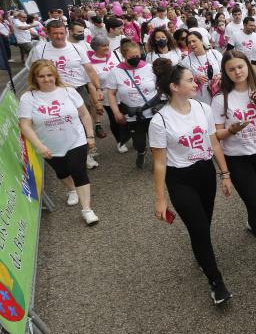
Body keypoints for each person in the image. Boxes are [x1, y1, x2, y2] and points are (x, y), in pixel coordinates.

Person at [149, 59, 234, 305]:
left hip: (205, 173)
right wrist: (161, 199)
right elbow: (159, 163)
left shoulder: (202, 108)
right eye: (189, 80)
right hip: (180, 180)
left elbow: (214, 142)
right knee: (198, 229)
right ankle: (216, 282)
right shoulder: (160, 121)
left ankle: (201, 254)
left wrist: (225, 174)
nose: (195, 82)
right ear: (174, 87)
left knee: (204, 225)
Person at [211, 51, 256, 272]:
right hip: (236, 157)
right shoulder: (220, 99)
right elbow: (216, 135)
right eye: (231, 69)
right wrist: (231, 130)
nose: (237, 72)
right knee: (254, 202)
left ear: (247, 67)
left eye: (240, 67)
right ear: (225, 72)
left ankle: (253, 222)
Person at [18, 60, 99, 225]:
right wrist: (40, 147)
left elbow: (84, 114)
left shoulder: (68, 91)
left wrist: (90, 135)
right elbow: (25, 125)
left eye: (49, 75)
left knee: (78, 171)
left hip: (75, 139)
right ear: (35, 78)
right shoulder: (28, 98)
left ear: (55, 75)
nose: (47, 79)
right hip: (49, 145)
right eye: (41, 76)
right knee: (62, 171)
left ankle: (87, 210)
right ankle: (71, 190)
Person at [106, 39, 158, 168]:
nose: (136, 59)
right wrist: (116, 112)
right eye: (132, 57)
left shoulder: (149, 68)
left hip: (152, 111)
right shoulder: (115, 72)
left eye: (137, 56)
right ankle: (141, 152)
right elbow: (111, 94)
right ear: (124, 56)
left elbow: (159, 87)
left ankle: (158, 162)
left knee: (156, 141)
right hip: (132, 114)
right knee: (139, 143)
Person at [180, 31, 223, 106]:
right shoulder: (185, 62)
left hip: (219, 94)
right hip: (201, 100)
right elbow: (182, 81)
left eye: (194, 41)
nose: (192, 44)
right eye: (189, 43)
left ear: (201, 41)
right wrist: (195, 79)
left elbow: (226, 70)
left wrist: (220, 76)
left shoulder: (215, 54)